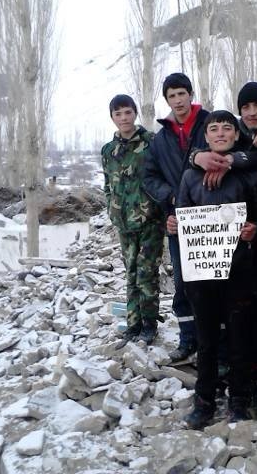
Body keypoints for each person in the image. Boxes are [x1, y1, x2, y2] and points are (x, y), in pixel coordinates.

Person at [190, 82, 257, 414]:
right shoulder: (234, 136)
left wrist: (231, 161)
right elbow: (194, 161)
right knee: (230, 318)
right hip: (228, 253)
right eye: (245, 107)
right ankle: (230, 379)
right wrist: (198, 157)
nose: (251, 112)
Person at [177, 110, 257, 429]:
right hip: (202, 275)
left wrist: (255, 228)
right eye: (213, 129)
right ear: (205, 137)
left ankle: (239, 400)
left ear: (236, 135)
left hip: (239, 272)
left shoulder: (249, 175)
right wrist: (173, 224)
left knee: (238, 337)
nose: (220, 134)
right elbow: (180, 216)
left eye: (227, 129)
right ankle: (203, 400)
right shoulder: (190, 176)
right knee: (206, 340)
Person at [143, 73, 210, 361]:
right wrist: (170, 197)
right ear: (167, 100)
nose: (178, 100)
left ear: (191, 94)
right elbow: (149, 176)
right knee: (184, 283)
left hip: (212, 218)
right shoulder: (161, 139)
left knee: (213, 282)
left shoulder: (211, 124)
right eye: (172, 96)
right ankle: (188, 340)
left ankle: (215, 345)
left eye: (182, 93)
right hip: (178, 220)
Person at [101, 94, 164, 344]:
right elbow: (107, 184)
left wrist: (158, 209)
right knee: (130, 273)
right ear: (113, 118)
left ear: (135, 113)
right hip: (123, 222)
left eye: (127, 112)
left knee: (147, 273)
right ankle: (133, 323)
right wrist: (111, 208)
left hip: (149, 220)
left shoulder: (152, 143)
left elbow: (162, 178)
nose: (123, 118)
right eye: (118, 114)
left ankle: (150, 324)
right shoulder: (109, 150)